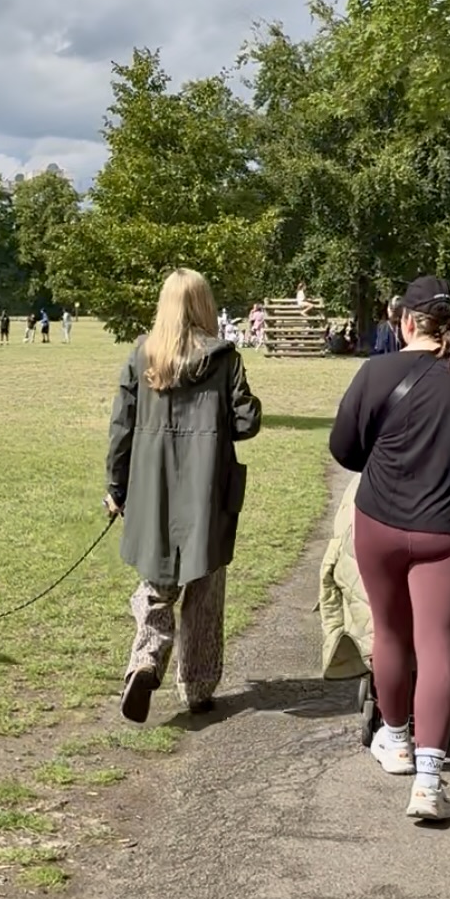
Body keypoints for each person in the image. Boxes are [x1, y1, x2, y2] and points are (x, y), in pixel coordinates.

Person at [329, 276, 450, 823]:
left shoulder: (374, 372)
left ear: (405, 321)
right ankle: (430, 783)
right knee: (437, 645)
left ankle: (396, 737)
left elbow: (344, 448)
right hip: (445, 529)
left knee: (389, 633)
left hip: (379, 522)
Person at [106, 268, 262, 723]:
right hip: (208, 489)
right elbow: (246, 422)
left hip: (152, 489)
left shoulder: (142, 356)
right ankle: (197, 685)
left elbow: (121, 428)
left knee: (156, 584)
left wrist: (115, 487)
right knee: (205, 589)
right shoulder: (225, 359)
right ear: (203, 305)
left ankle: (147, 659)